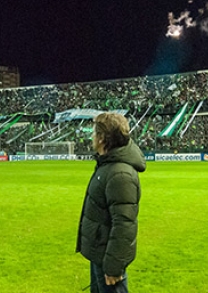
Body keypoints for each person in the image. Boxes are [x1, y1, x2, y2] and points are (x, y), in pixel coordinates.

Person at [76, 113, 146, 293]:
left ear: (102, 138)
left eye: (95, 133)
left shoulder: (120, 174)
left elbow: (124, 224)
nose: (92, 137)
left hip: (109, 259)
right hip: (100, 253)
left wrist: (114, 266)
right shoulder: (107, 165)